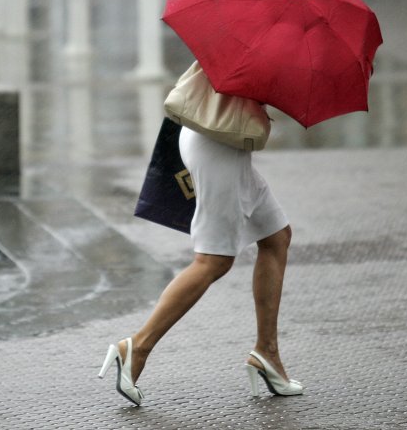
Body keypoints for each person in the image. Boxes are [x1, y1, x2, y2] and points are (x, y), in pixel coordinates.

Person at [98, 125, 302, 405]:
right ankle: (137, 347)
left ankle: (267, 352)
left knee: (276, 237)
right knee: (213, 261)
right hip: (219, 143)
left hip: (224, 140)